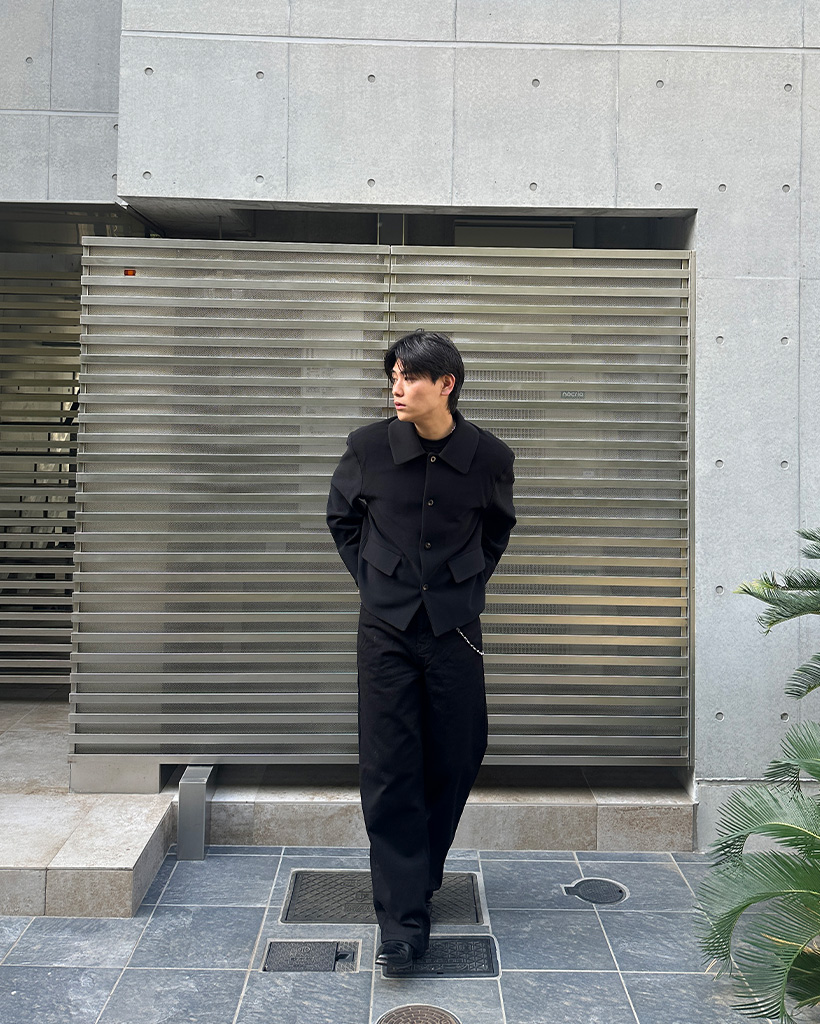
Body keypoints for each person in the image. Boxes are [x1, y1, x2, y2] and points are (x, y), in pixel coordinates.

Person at [326, 330, 516, 968]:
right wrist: (375, 580)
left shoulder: (489, 456)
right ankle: (402, 921)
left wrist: (465, 584)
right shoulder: (368, 447)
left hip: (454, 629)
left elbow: (497, 529)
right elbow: (342, 518)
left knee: (459, 752)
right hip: (385, 629)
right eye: (394, 377)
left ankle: (421, 871)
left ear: (446, 385)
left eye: (409, 377)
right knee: (390, 766)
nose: (397, 388)